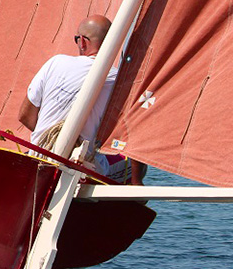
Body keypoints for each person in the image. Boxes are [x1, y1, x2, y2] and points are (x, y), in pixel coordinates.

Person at [18, 14, 146, 184]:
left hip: (41, 159)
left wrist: (52, 139)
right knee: (132, 162)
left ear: (83, 41)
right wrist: (137, 183)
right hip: (85, 169)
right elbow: (134, 132)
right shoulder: (118, 79)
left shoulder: (55, 62)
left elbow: (25, 115)